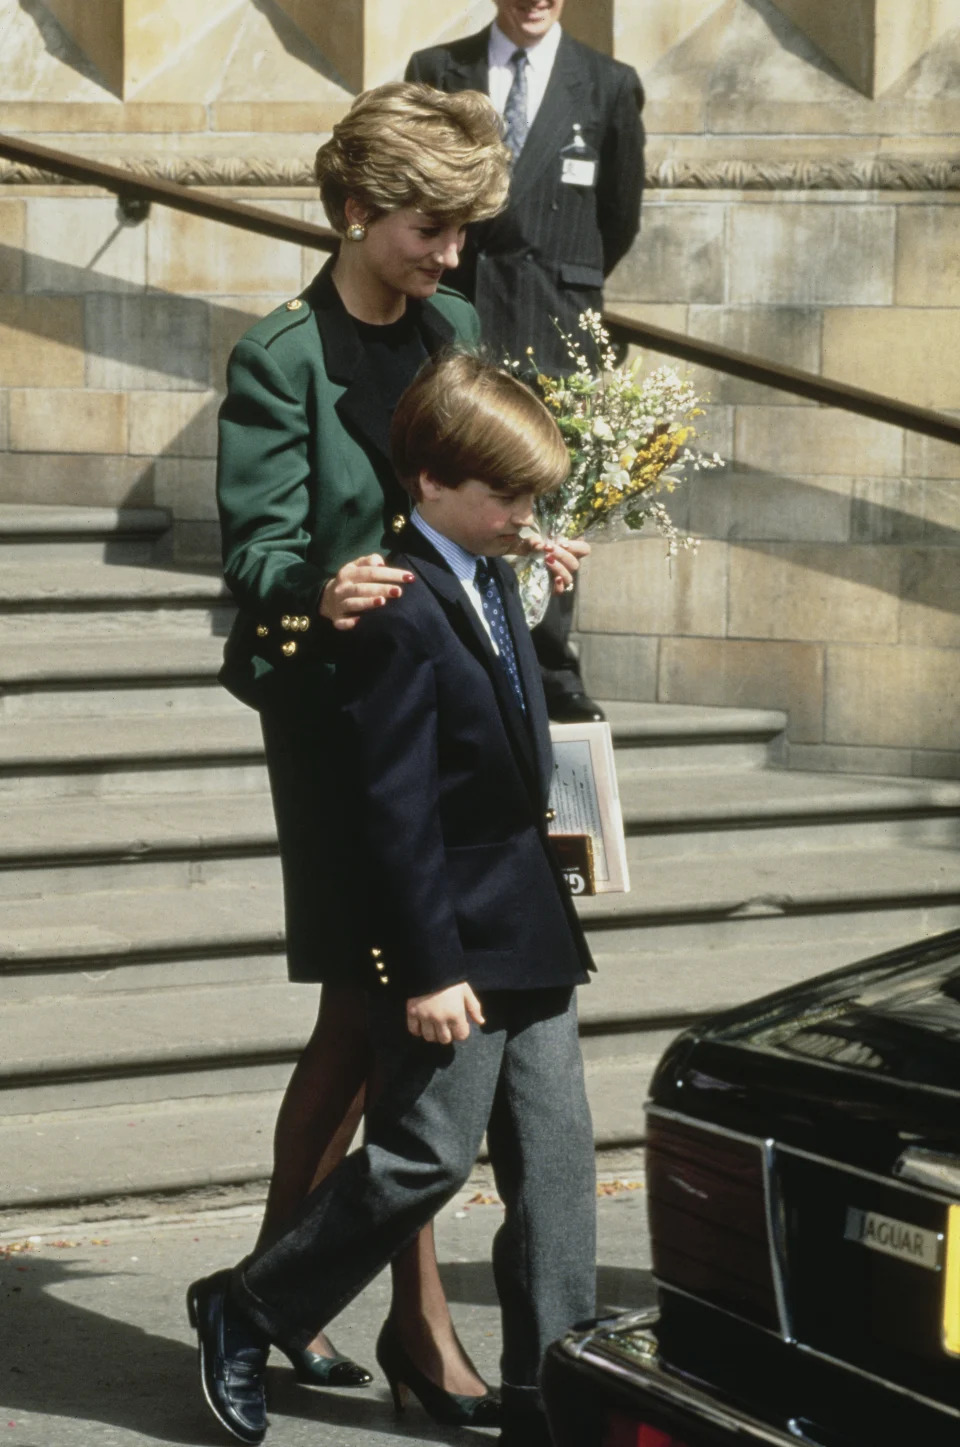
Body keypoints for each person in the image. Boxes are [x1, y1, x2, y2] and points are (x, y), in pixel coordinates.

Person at [214, 80, 583, 1421]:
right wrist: (325, 583)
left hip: (455, 701)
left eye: (461, 231)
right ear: (360, 209)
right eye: (432, 227)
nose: (450, 254)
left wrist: (525, 538)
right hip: (339, 717)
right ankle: (384, 1320)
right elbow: (253, 547)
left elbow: (482, 474)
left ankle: (297, 1295)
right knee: (375, 1017)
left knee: (372, 1027)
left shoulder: (458, 327)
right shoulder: (281, 355)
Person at [406, 0, 646, 724]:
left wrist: (562, 278)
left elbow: (618, 216)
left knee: (544, 489)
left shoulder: (607, 83)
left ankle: (549, 660)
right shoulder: (437, 71)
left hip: (553, 315)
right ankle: (455, 636)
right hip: (463, 305)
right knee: (458, 477)